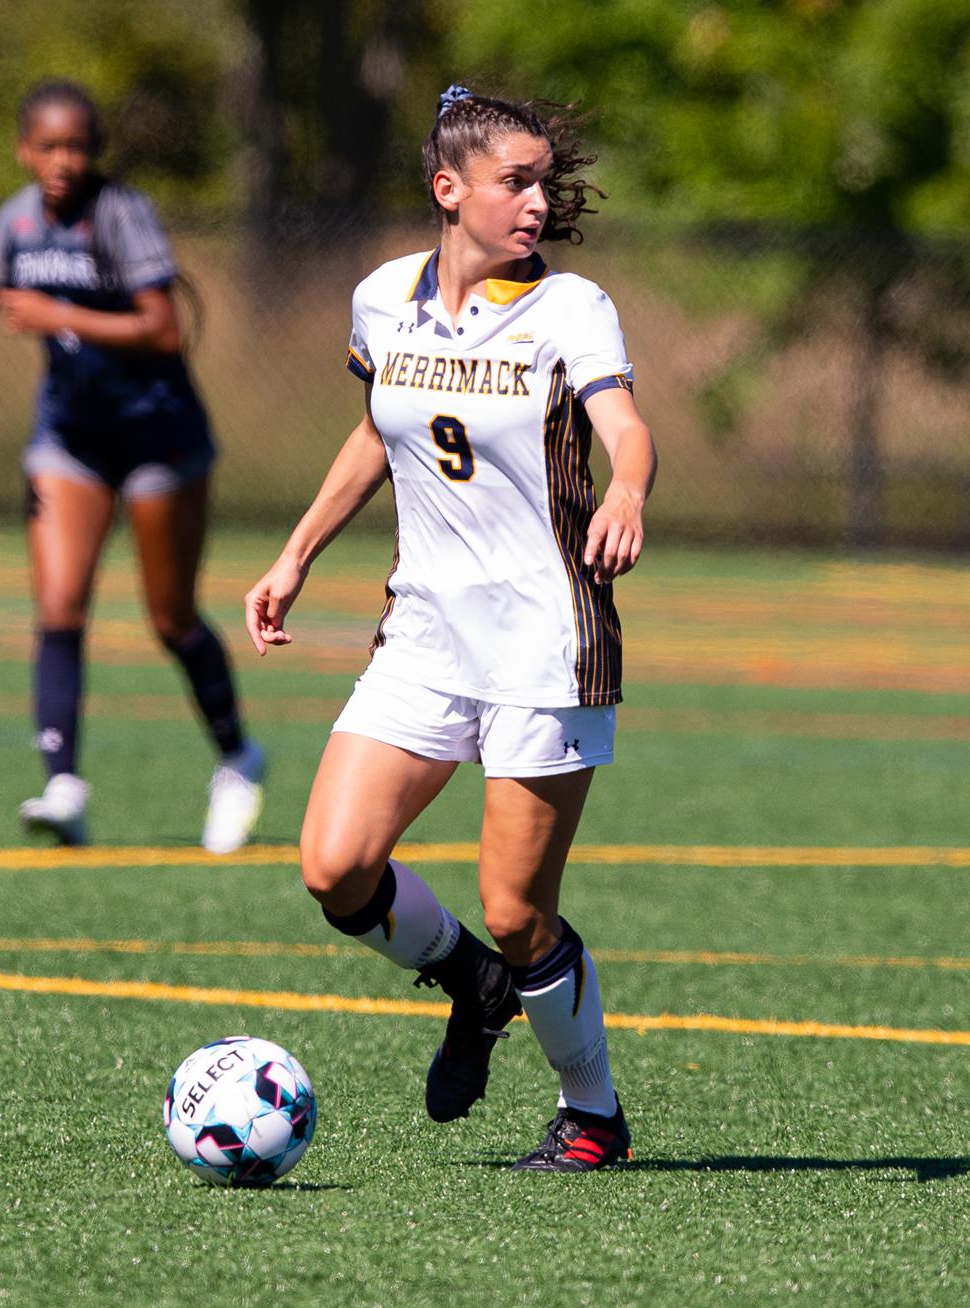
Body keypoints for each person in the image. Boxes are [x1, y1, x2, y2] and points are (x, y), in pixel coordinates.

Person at [244, 85, 656, 1172]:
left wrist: (626, 492)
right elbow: (377, 435)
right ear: (448, 189)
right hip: (424, 633)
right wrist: (294, 554)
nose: (535, 203)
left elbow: (626, 429)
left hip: (542, 643)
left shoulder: (570, 310)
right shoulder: (383, 299)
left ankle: (592, 1112)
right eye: (513, 183)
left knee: (519, 912)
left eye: (541, 183)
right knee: (335, 867)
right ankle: (469, 983)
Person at [0, 80, 265, 853]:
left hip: (159, 439)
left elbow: (164, 328)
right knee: (59, 605)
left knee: (170, 616)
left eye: (78, 145)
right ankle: (63, 786)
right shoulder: (15, 217)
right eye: (48, 146)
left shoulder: (121, 214)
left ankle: (237, 756)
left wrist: (60, 316)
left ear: (95, 151)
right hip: (71, 439)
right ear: (25, 149)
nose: (63, 160)